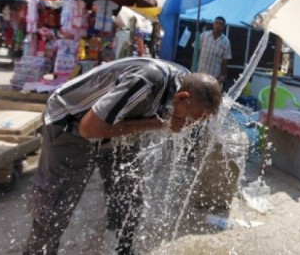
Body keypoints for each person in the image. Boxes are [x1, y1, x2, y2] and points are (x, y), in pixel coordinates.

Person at [22, 57, 223, 255]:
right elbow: (89, 128)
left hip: (118, 122)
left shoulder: (186, 86)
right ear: (182, 98)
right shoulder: (148, 81)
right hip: (70, 122)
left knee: (128, 194)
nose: (190, 125)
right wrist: (159, 123)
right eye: (191, 118)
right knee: (57, 205)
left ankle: (124, 249)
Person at [195, 16, 232, 84]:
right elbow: (196, 51)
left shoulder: (226, 42)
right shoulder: (204, 35)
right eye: (217, 23)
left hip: (214, 76)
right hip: (200, 72)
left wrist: (222, 75)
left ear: (223, 27)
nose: (218, 26)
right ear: (213, 24)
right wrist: (194, 67)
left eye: (220, 24)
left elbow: (225, 61)